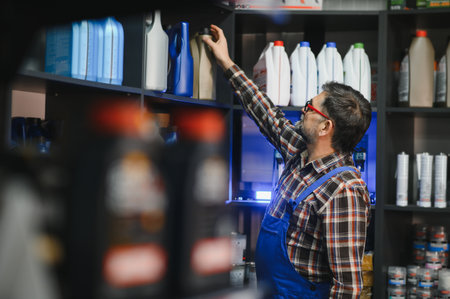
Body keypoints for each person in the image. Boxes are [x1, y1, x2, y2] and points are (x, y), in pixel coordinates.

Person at [203, 24, 372, 298]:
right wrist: (226, 61)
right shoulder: (300, 151)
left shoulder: (344, 192)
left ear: (325, 127)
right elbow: (266, 112)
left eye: (309, 108)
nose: (302, 112)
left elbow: (348, 286)